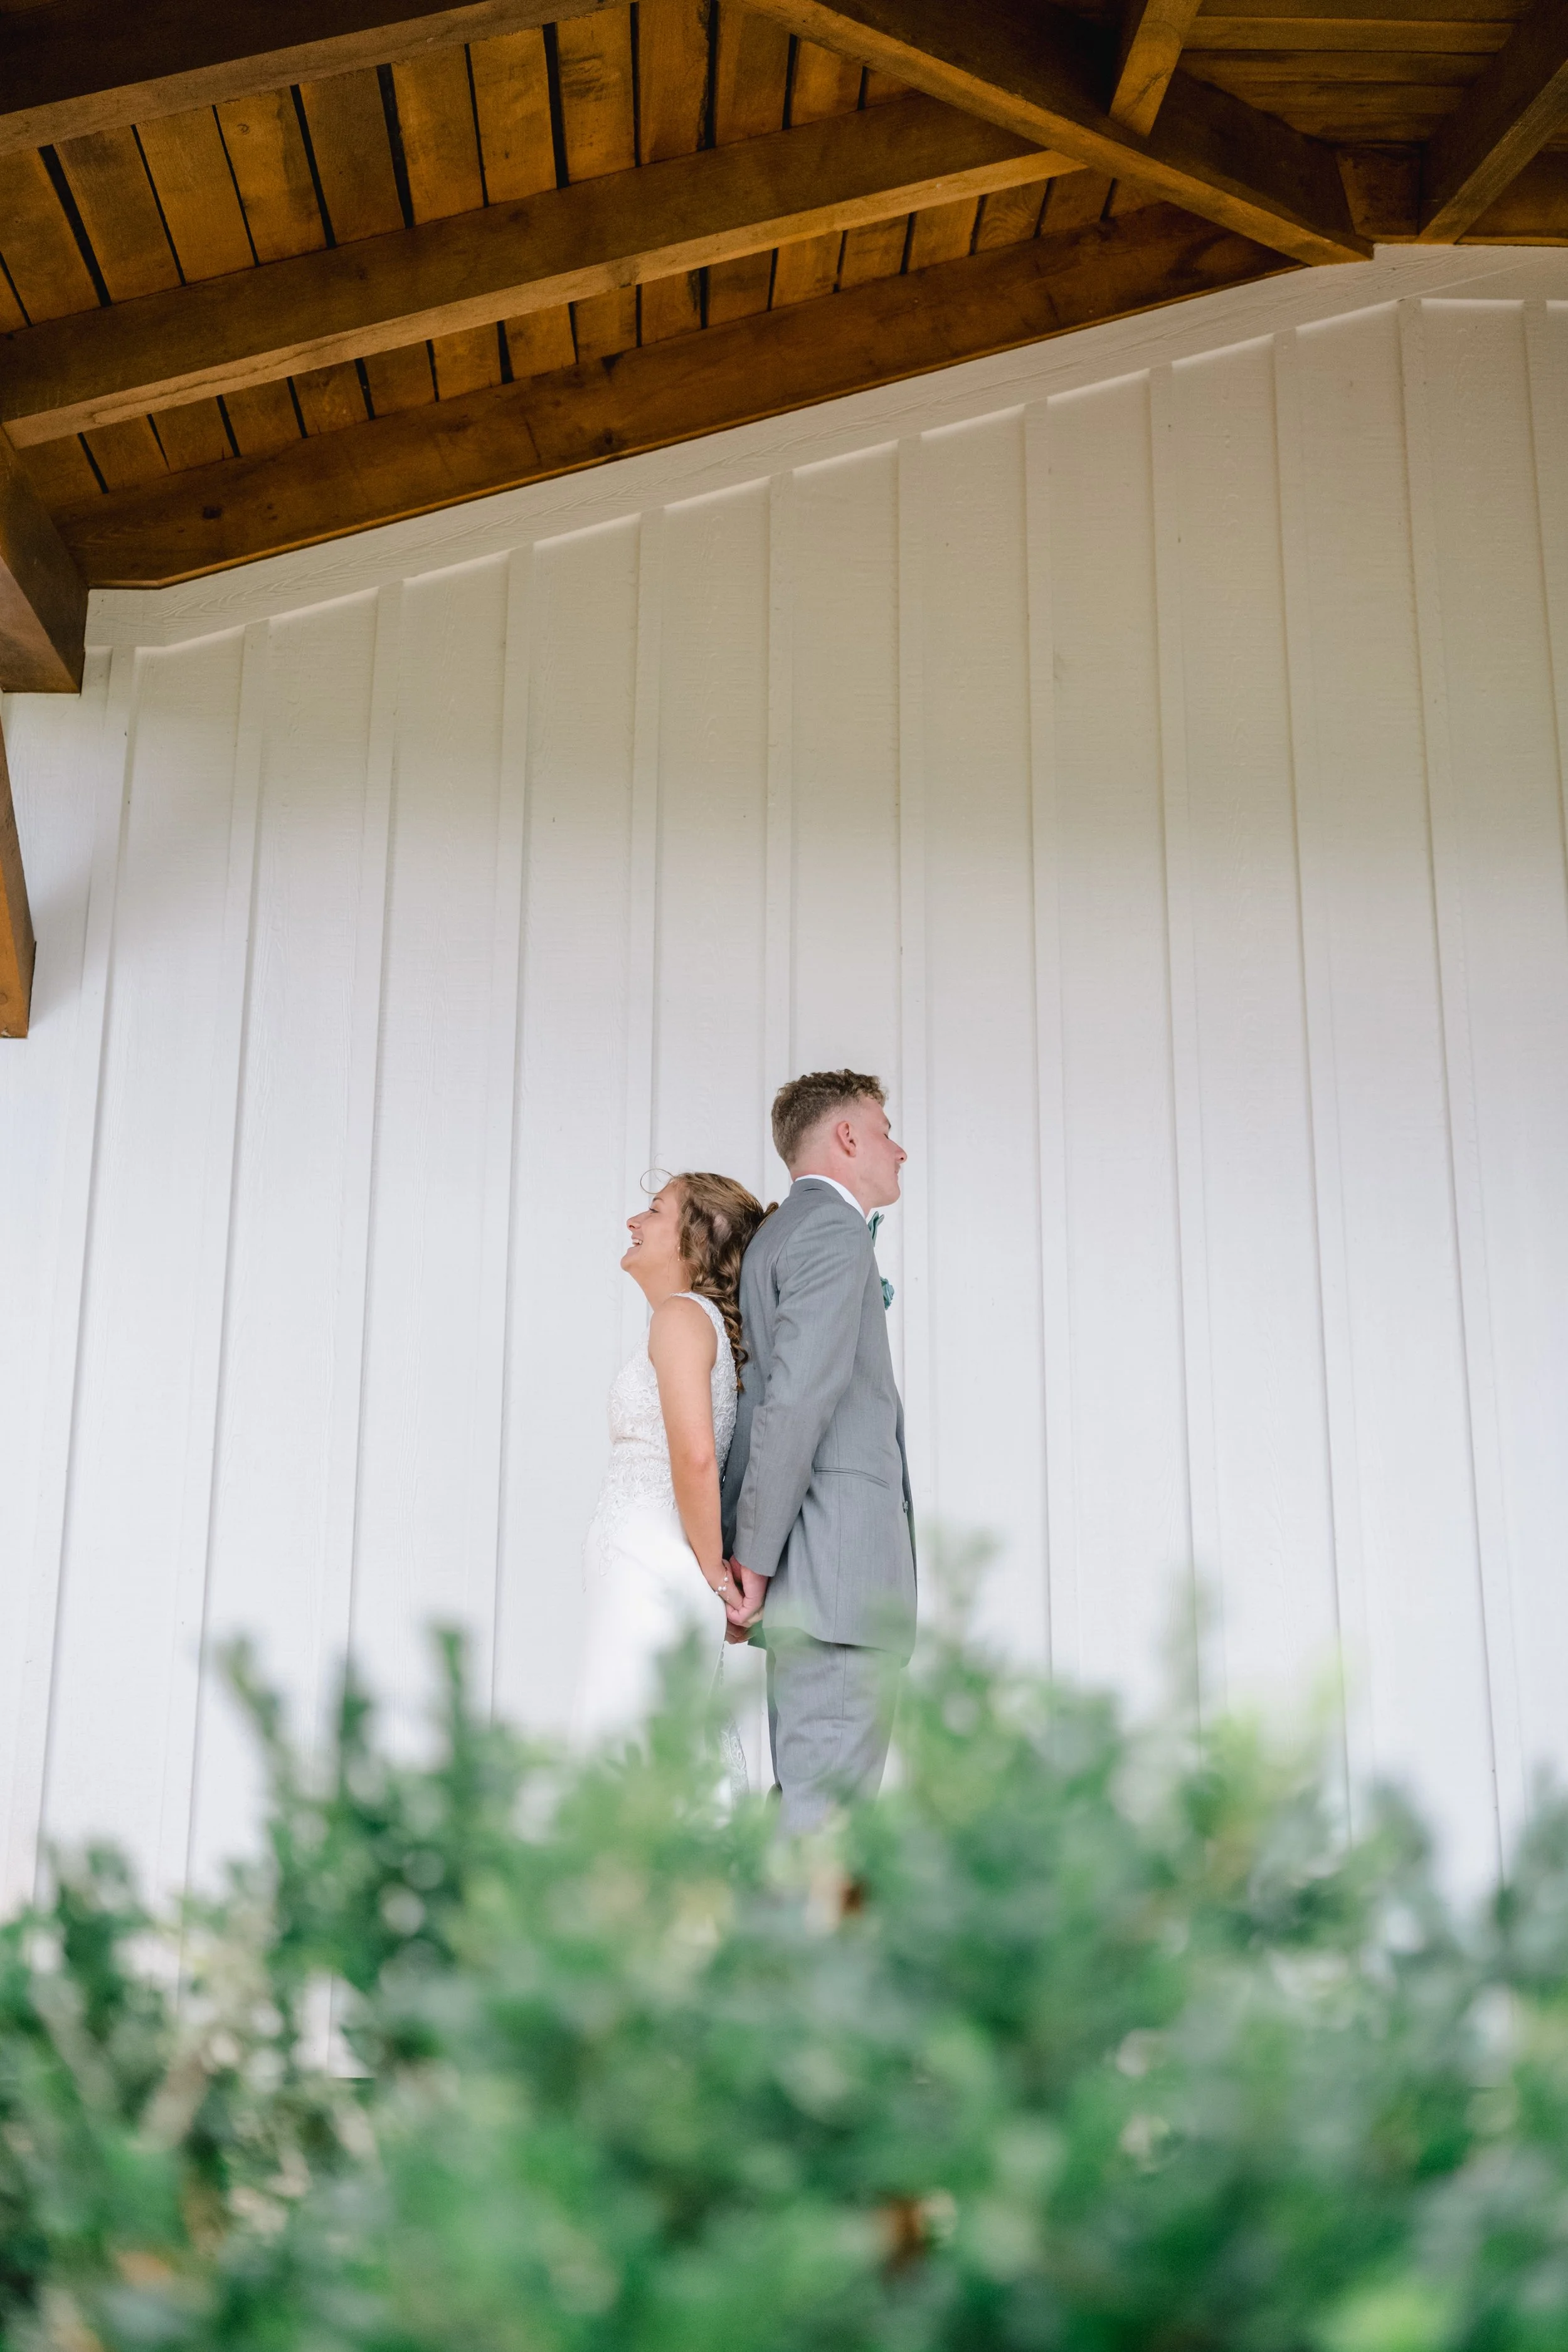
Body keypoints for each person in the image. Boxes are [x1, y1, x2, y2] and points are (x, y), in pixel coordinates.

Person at [720, 1071, 916, 1834]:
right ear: (845, 1137)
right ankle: (793, 1958)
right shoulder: (831, 1232)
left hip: (816, 1586)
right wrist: (754, 1563)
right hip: (838, 1585)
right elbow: (794, 1402)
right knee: (825, 1826)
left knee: (808, 1814)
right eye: (885, 1128)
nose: (900, 1149)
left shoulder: (782, 1234)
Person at [576, 1172, 766, 1756]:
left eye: (654, 1211)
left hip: (654, 1570)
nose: (634, 1222)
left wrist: (716, 1579)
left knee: (630, 1750)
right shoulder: (691, 1321)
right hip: (644, 1567)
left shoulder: (681, 1317)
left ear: (695, 1238)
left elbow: (697, 1454)